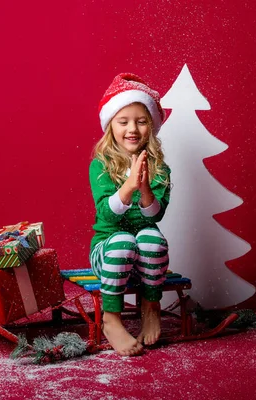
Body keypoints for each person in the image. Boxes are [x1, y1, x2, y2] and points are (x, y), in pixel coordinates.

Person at [89, 73, 171, 356]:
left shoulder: (160, 168)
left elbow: (153, 218)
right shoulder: (100, 166)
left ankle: (151, 306)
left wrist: (145, 186)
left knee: (152, 238)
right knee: (124, 239)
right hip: (108, 253)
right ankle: (111, 319)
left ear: (151, 125)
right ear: (110, 125)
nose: (132, 129)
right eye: (123, 121)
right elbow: (107, 216)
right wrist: (129, 185)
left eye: (141, 120)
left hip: (143, 263)